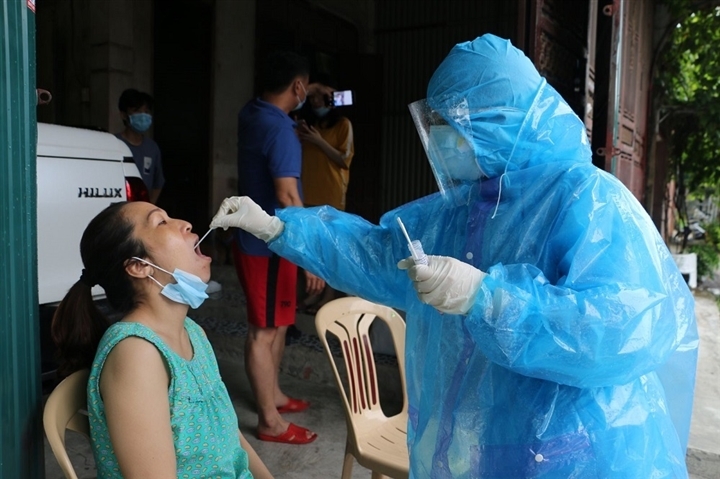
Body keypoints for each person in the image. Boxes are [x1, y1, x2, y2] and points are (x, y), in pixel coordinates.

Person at [210, 34, 699, 477]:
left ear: (500, 120)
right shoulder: (464, 208)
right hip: (482, 443)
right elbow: (380, 256)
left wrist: (490, 299)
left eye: (450, 121)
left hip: (580, 451)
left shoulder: (587, 199)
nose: (440, 137)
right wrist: (280, 228)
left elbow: (628, 327)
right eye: (436, 121)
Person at [50, 201, 273, 478]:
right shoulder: (136, 355)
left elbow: (228, 435)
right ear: (138, 266)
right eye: (161, 222)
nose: (186, 224)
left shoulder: (192, 332)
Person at [233, 50, 324, 445]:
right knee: (265, 331)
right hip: (267, 246)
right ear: (299, 87)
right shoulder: (280, 131)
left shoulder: (253, 113)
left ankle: (275, 397)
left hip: (265, 242)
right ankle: (269, 421)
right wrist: (311, 257)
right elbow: (288, 197)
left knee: (280, 324)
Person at [295, 77, 355, 313]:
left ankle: (327, 297)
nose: (317, 100)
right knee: (308, 250)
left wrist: (318, 142)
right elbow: (293, 101)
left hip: (331, 195)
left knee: (327, 250)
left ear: (334, 100)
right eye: (313, 96)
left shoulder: (344, 124)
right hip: (306, 193)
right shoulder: (306, 124)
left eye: (323, 96)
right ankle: (311, 294)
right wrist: (314, 88)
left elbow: (343, 159)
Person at [117, 88, 165, 204]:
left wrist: (149, 205)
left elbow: (158, 182)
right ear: (124, 115)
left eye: (146, 111)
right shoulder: (114, 144)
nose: (143, 116)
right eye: (137, 111)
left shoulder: (152, 148)